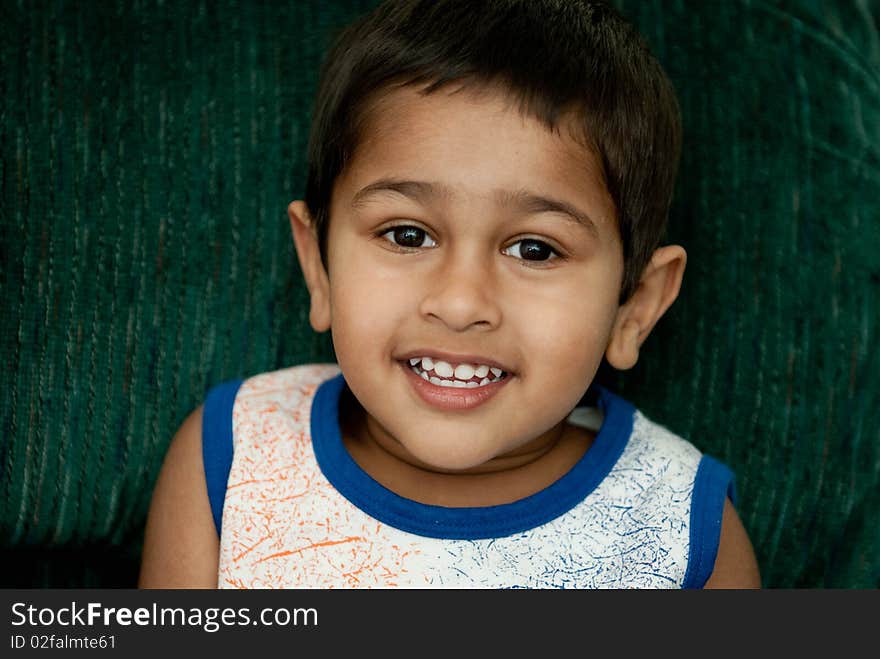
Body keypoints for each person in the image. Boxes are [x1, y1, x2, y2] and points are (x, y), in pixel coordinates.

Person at [139, 0, 761, 589]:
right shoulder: (233, 457)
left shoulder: (684, 531)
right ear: (319, 267)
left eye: (534, 249)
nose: (461, 304)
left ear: (636, 306)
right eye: (407, 235)